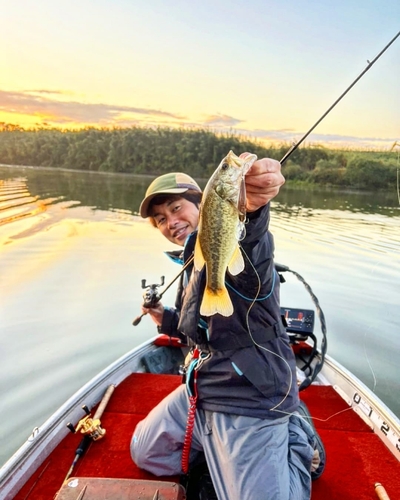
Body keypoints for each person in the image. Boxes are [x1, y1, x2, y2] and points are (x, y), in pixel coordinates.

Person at [130, 154, 325, 500]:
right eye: (161, 218)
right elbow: (202, 327)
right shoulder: (192, 255)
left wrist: (251, 208)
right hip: (202, 385)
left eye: (177, 208)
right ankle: (218, 448)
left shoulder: (234, 236)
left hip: (250, 391)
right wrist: (166, 318)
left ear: (203, 203)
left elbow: (252, 245)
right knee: (146, 452)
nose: (170, 221)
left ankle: (294, 437)